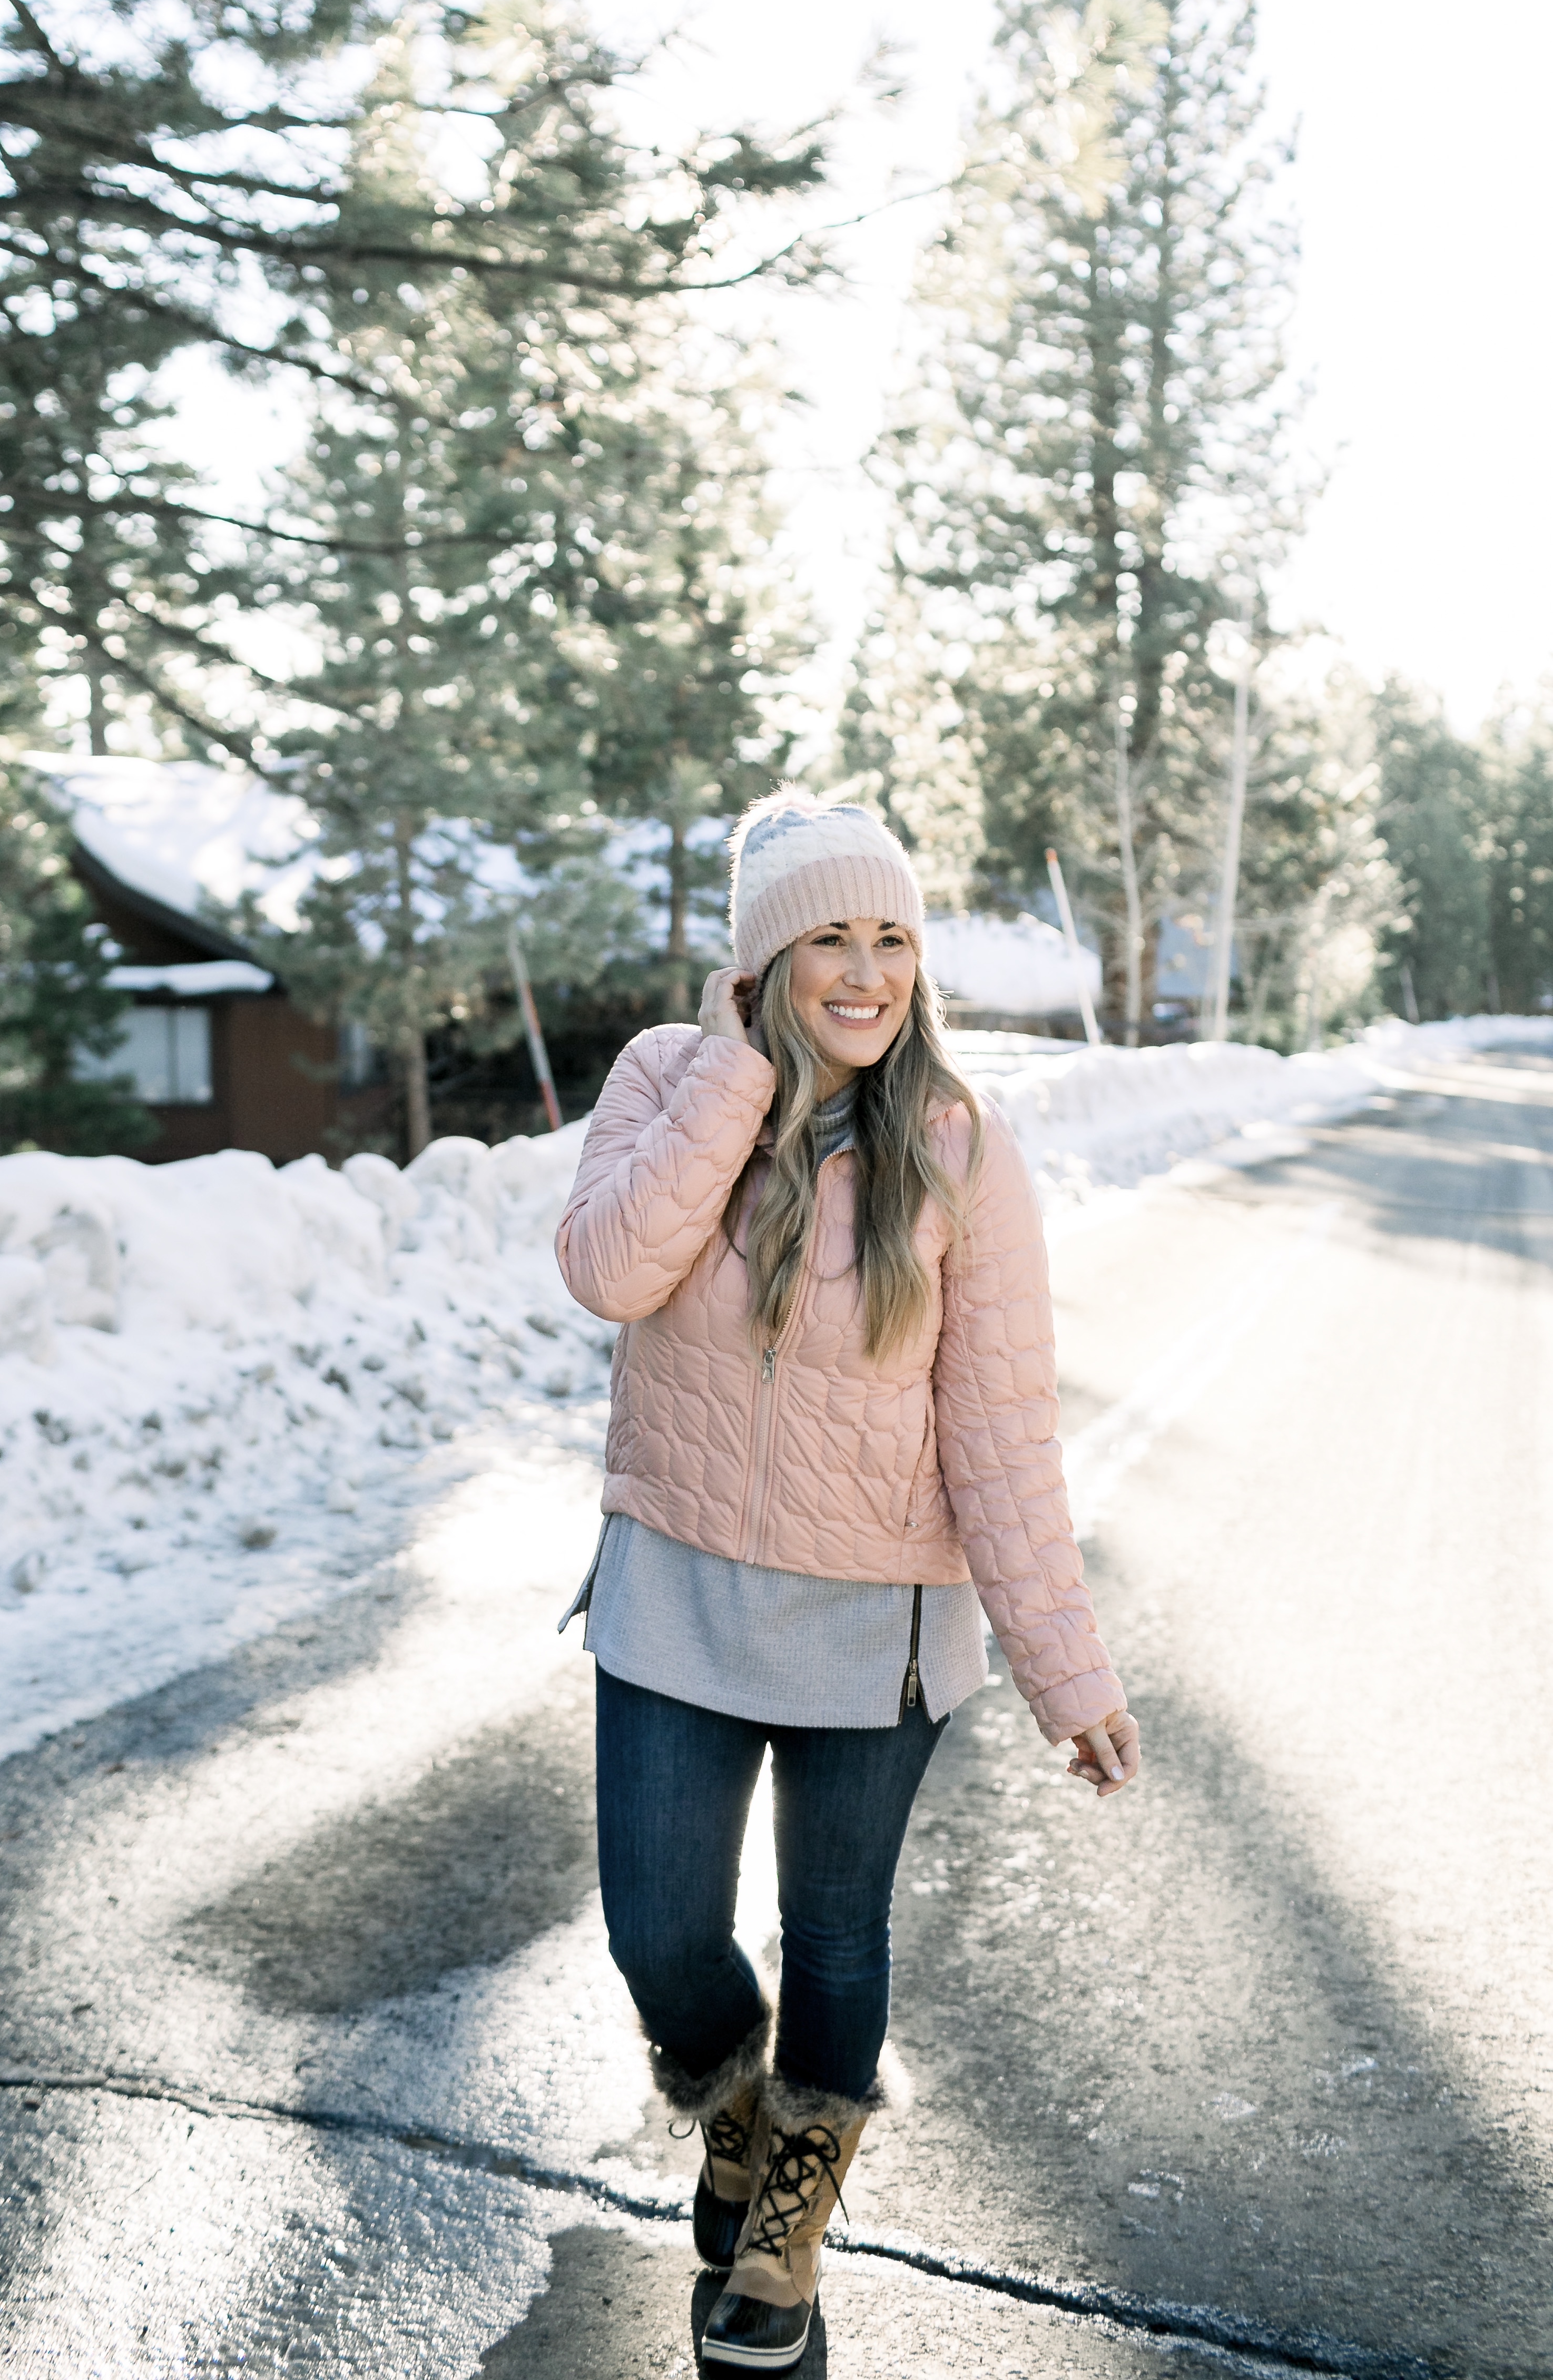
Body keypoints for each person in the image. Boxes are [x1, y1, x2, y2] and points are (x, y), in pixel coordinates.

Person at [556, 792, 1139, 2374]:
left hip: (873, 1632)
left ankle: (788, 2222)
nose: (870, 972)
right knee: (659, 1934)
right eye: (830, 936)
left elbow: (1002, 1432)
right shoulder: (669, 1083)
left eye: (894, 938)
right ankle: (733, 2110)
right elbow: (609, 1269)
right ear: (764, 956)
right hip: (672, 1597)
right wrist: (741, 1075)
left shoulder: (958, 1142)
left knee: (837, 1942)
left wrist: (1065, 1671)